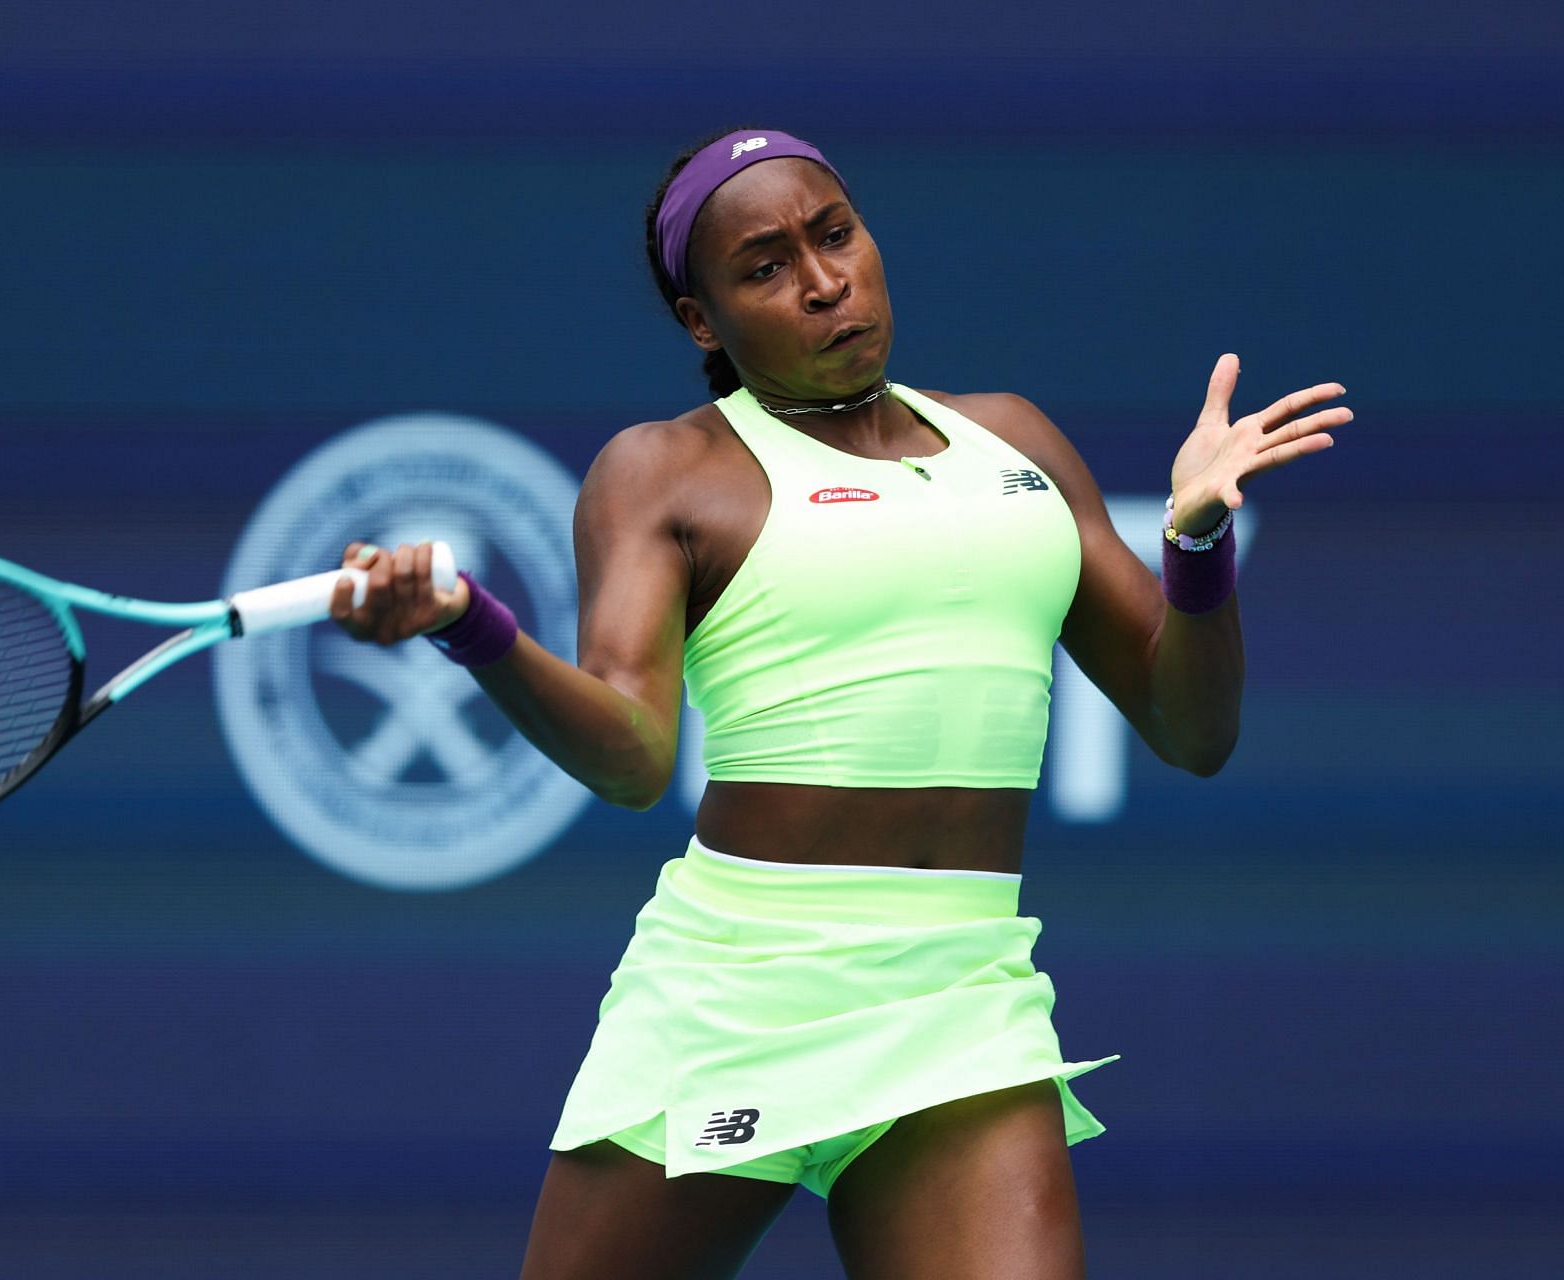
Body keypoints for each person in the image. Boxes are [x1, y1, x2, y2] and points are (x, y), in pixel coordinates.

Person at [329, 129, 1351, 1279]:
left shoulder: (1012, 440)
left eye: (835, 234)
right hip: (736, 993)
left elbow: (1192, 729)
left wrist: (1196, 539)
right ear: (701, 320)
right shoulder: (667, 471)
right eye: (765, 267)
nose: (825, 282)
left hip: (961, 997)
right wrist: (473, 621)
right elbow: (630, 756)